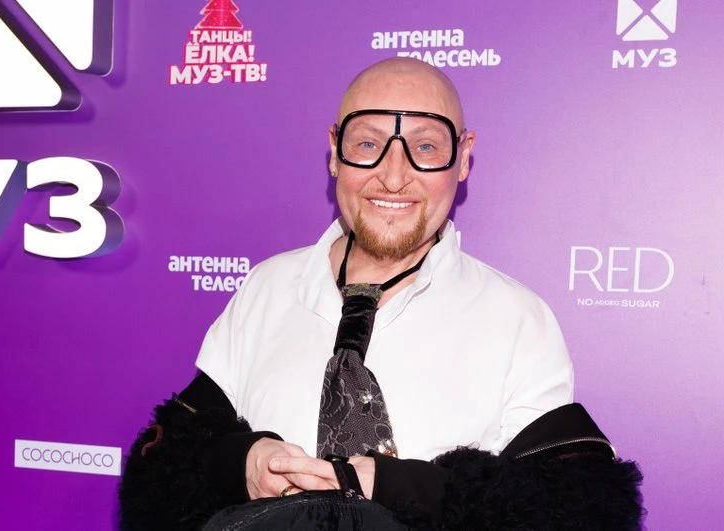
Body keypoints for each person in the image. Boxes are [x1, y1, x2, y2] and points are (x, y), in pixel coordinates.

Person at [119, 58, 642, 530]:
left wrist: (396, 488)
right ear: (334, 153)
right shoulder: (265, 288)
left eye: (426, 147)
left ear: (463, 159)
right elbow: (164, 468)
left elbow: (578, 508)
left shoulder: (519, 319)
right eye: (368, 145)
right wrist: (244, 462)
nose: (393, 177)